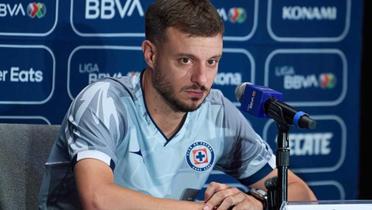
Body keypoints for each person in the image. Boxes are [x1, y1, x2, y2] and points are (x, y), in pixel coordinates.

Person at [38, 0, 317, 209]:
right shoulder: (105, 101)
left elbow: (302, 195)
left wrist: (257, 203)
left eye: (212, 62)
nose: (202, 79)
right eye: (185, 60)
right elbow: (98, 199)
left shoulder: (217, 112)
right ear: (151, 54)